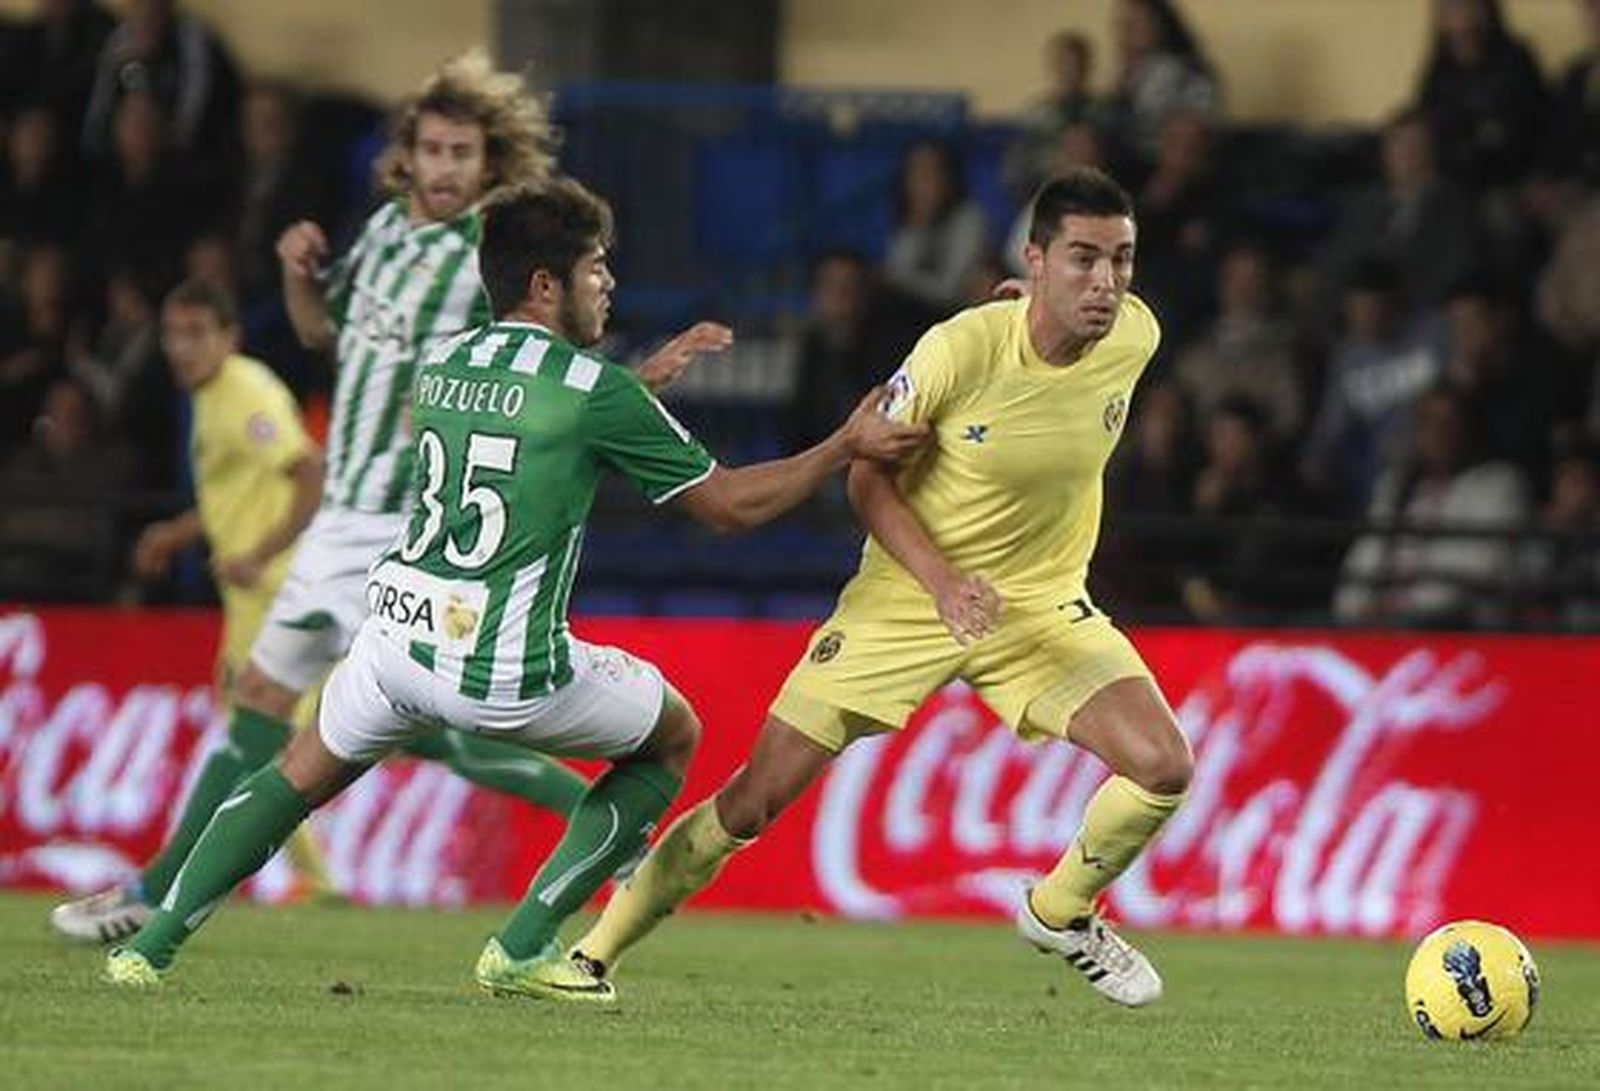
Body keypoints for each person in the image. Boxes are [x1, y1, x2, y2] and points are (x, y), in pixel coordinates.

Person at [102, 176, 928, 993]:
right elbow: (732, 507)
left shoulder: (443, 362)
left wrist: (634, 394)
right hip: (499, 666)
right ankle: (526, 943)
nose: (608, 283)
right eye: (595, 268)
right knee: (673, 734)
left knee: (294, 774)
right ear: (545, 284)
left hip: (392, 637)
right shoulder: (593, 390)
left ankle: (151, 947)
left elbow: (522, 426)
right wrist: (843, 445)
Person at [51, 52, 640, 943]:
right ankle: (607, 819)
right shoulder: (384, 237)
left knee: (322, 710)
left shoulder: (491, 253)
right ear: (404, 155)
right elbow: (321, 333)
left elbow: (544, 354)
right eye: (431, 150)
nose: (443, 169)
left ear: (490, 165)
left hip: (407, 521)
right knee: (347, 716)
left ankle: (154, 895)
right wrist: (296, 276)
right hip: (340, 515)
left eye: (462, 154)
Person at [573, 167, 1193, 1008]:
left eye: (1121, 260)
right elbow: (867, 481)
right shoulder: (958, 349)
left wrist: (1042, 302)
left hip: (1039, 605)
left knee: (1162, 764)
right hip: (907, 597)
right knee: (753, 802)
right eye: (1082, 259)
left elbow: (1075, 338)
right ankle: (593, 953)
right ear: (1035, 259)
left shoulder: (1136, 335)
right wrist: (940, 583)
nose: (1107, 282)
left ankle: (1061, 908)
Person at [130, 279, 337, 907]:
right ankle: (314, 878)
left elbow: (309, 470)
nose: (182, 348)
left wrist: (260, 554)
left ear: (229, 336)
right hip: (253, 597)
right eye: (173, 333)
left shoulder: (246, 393)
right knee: (260, 737)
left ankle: (183, 882)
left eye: (197, 334)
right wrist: (180, 530)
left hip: (275, 594)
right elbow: (238, 491)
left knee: (261, 736)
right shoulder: (213, 396)